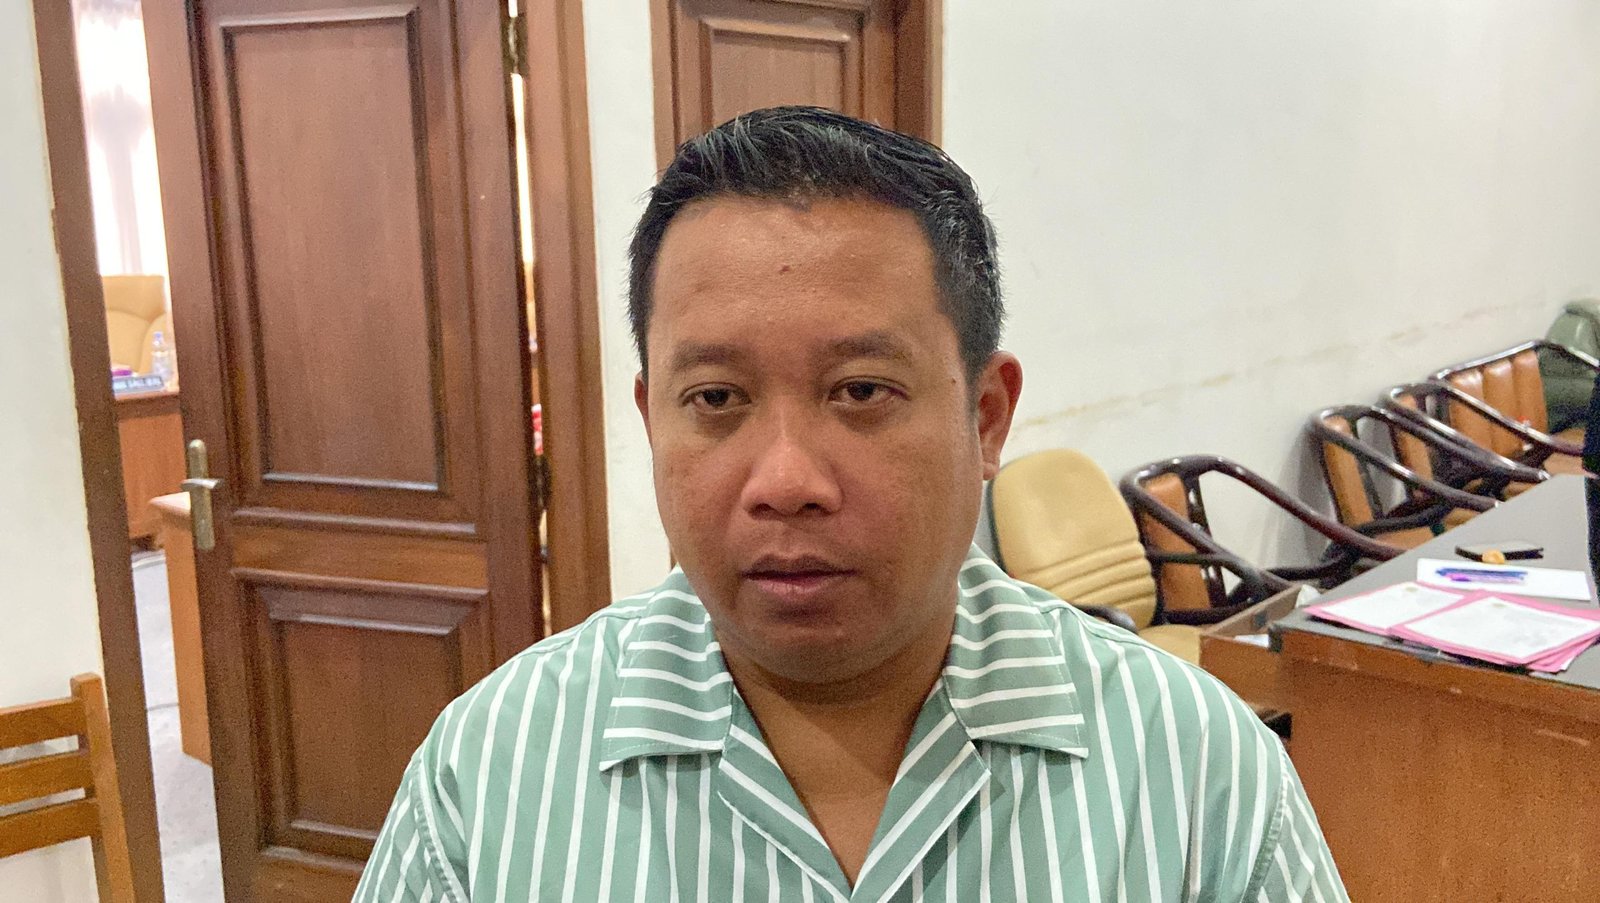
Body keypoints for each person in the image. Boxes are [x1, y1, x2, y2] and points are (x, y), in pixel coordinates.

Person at [354, 106, 1346, 902]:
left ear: (986, 417)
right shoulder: (491, 772)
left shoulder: (1191, 768)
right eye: (717, 399)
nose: (786, 481)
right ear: (653, 420)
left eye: (861, 390)